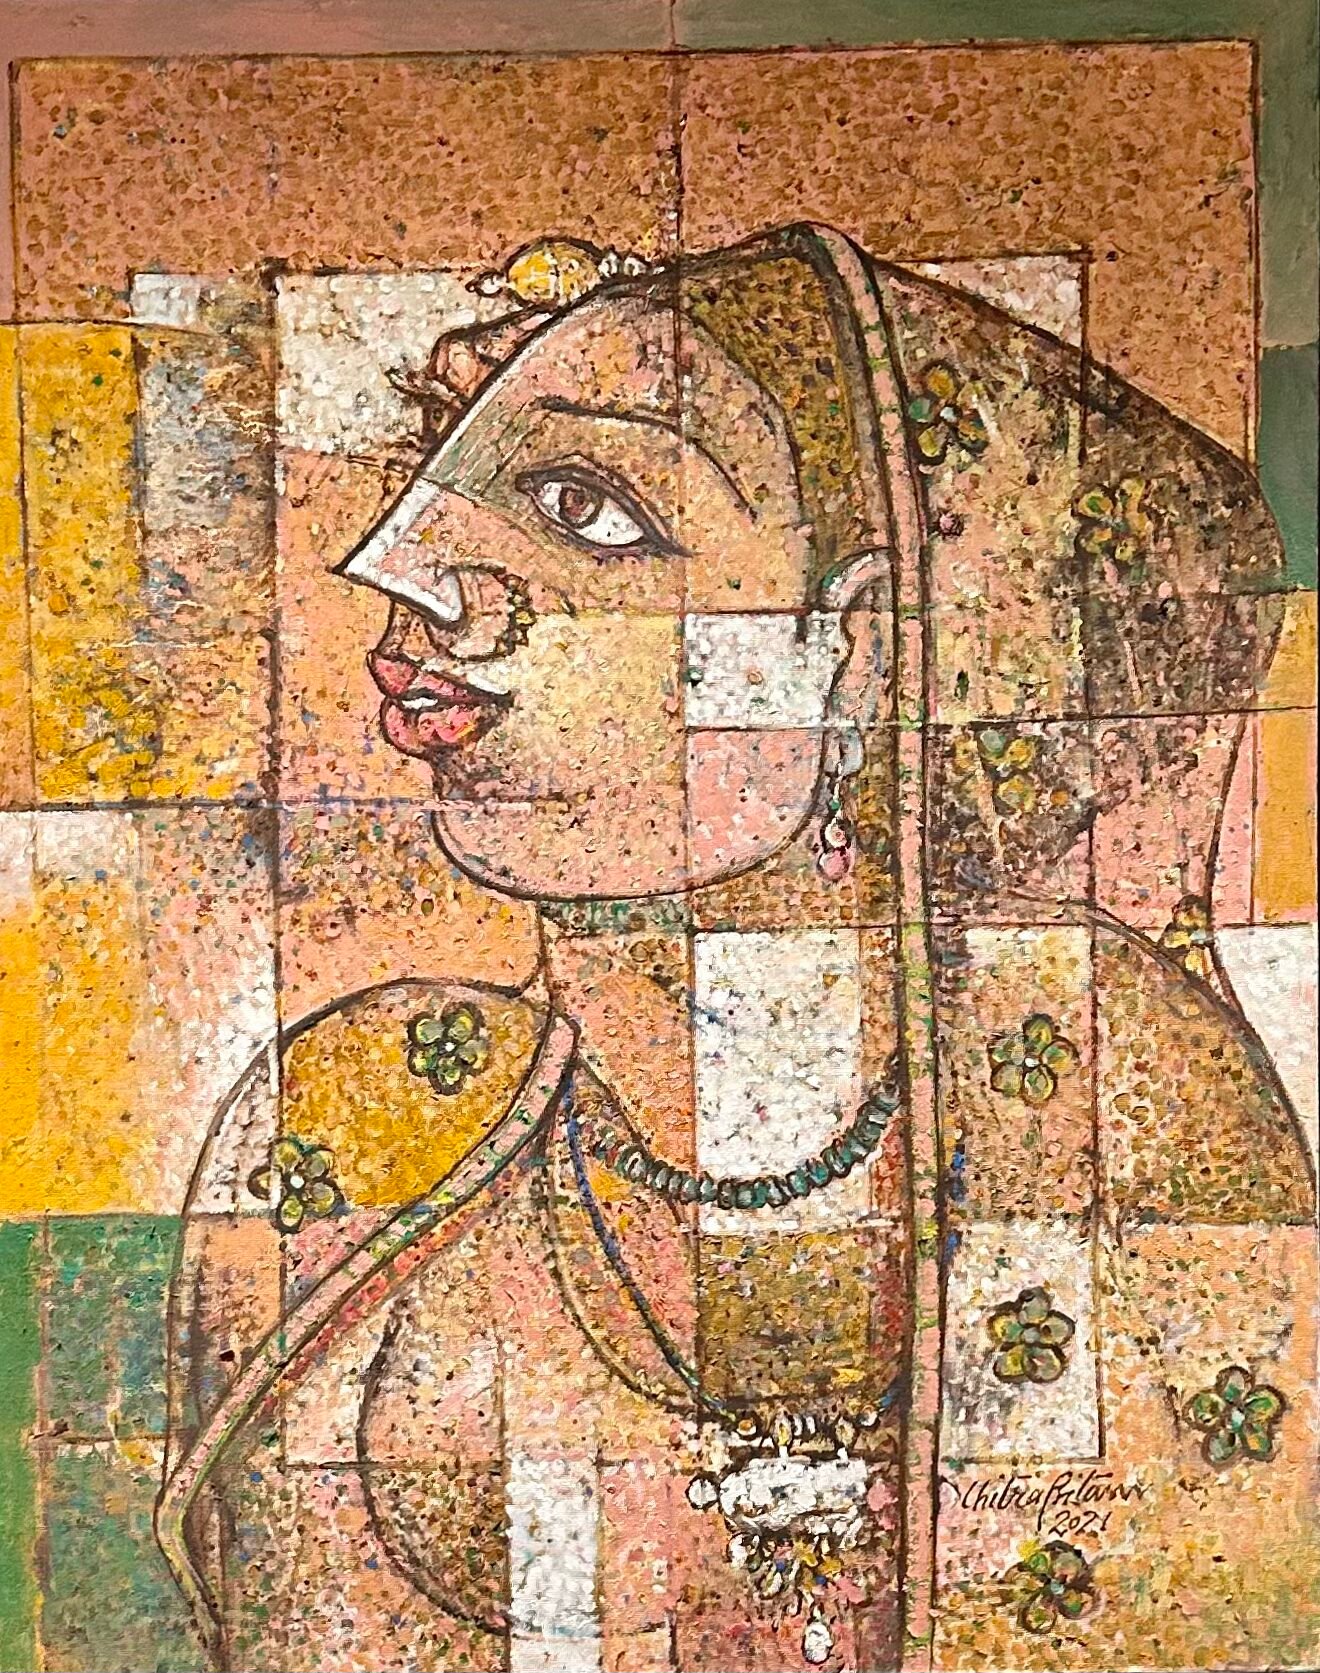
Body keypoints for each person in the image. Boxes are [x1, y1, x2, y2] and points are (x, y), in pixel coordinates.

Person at [157, 225, 1317, 1673]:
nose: (410, 584)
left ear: (858, 647)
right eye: (436, 483)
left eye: (586, 508)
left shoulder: (1102, 1068)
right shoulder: (362, 1112)